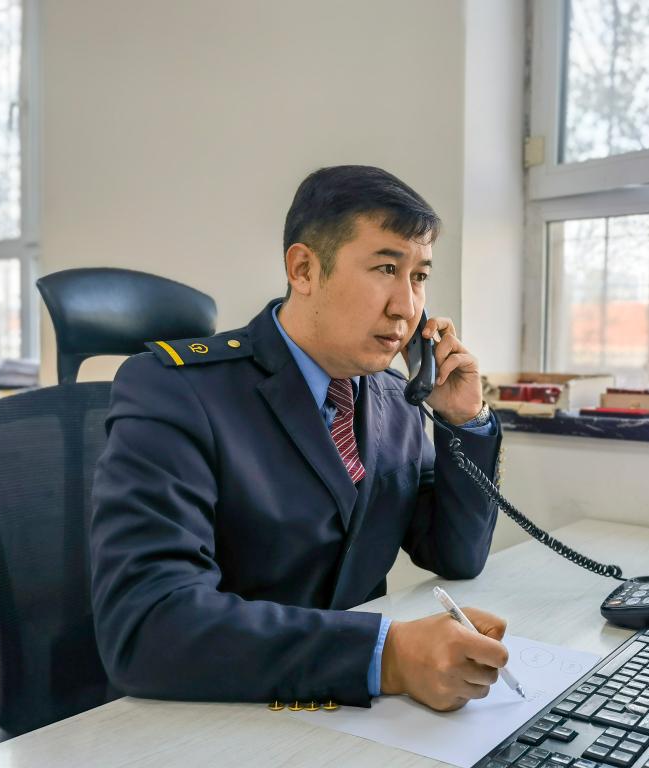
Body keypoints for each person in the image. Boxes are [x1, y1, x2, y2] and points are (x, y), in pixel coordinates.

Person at [90, 165, 508, 712]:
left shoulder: (393, 398)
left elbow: (456, 555)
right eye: (386, 268)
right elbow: (149, 627)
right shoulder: (176, 391)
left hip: (349, 717)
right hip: (208, 713)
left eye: (419, 277)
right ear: (304, 269)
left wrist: (465, 421)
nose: (406, 307)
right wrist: (387, 655)